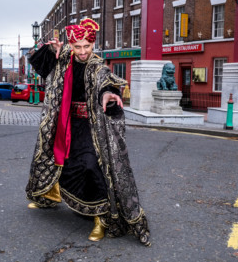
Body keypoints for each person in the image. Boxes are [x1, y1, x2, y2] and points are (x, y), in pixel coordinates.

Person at [25, 18, 150, 246]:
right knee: (54, 158)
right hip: (63, 122)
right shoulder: (63, 60)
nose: (82, 52)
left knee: (91, 166)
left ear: (93, 45)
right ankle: (48, 195)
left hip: (90, 126)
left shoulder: (98, 66)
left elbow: (106, 84)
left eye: (87, 46)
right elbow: (41, 67)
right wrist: (50, 48)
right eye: (77, 47)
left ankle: (101, 218)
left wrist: (108, 95)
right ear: (71, 45)